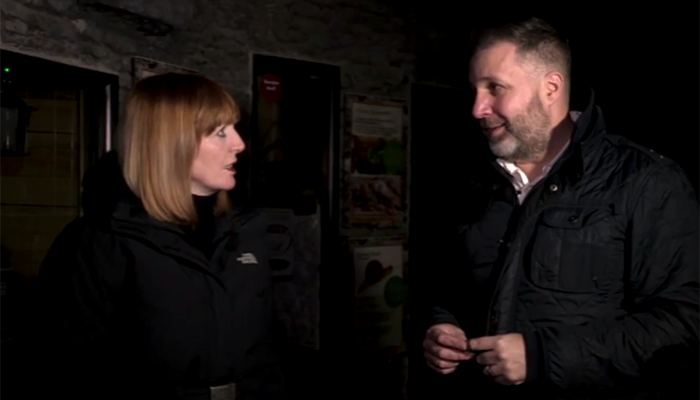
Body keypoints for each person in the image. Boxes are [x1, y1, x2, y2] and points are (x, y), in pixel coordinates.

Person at [421, 17, 700, 399]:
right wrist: (442, 326)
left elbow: (683, 323)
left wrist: (541, 358)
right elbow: (450, 286)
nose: (477, 108)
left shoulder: (646, 181)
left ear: (551, 87)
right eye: (475, 90)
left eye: (495, 88)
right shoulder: (473, 182)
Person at [26, 73, 286, 399]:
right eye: (220, 133)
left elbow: (266, 351)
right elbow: (69, 373)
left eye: (234, 129)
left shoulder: (246, 232)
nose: (239, 144)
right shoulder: (98, 245)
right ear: (171, 144)